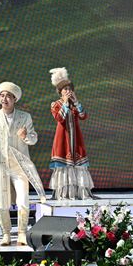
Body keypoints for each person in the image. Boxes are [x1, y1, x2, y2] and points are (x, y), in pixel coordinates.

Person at [0, 82, 46, 246]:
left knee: (23, 199)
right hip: (0, 164)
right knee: (1, 201)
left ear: (15, 99)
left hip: (19, 165)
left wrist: (25, 136)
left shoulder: (24, 117)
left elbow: (33, 138)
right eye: (2, 96)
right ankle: (6, 234)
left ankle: (22, 233)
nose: (4, 99)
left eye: (8, 96)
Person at [49, 67, 94, 200]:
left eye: (69, 89)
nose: (68, 91)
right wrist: (65, 103)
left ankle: (80, 193)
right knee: (64, 165)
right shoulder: (55, 104)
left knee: (78, 164)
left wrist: (76, 102)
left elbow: (83, 116)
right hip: (62, 139)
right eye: (65, 89)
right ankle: (64, 194)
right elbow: (59, 118)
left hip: (76, 138)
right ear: (60, 92)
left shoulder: (75, 104)